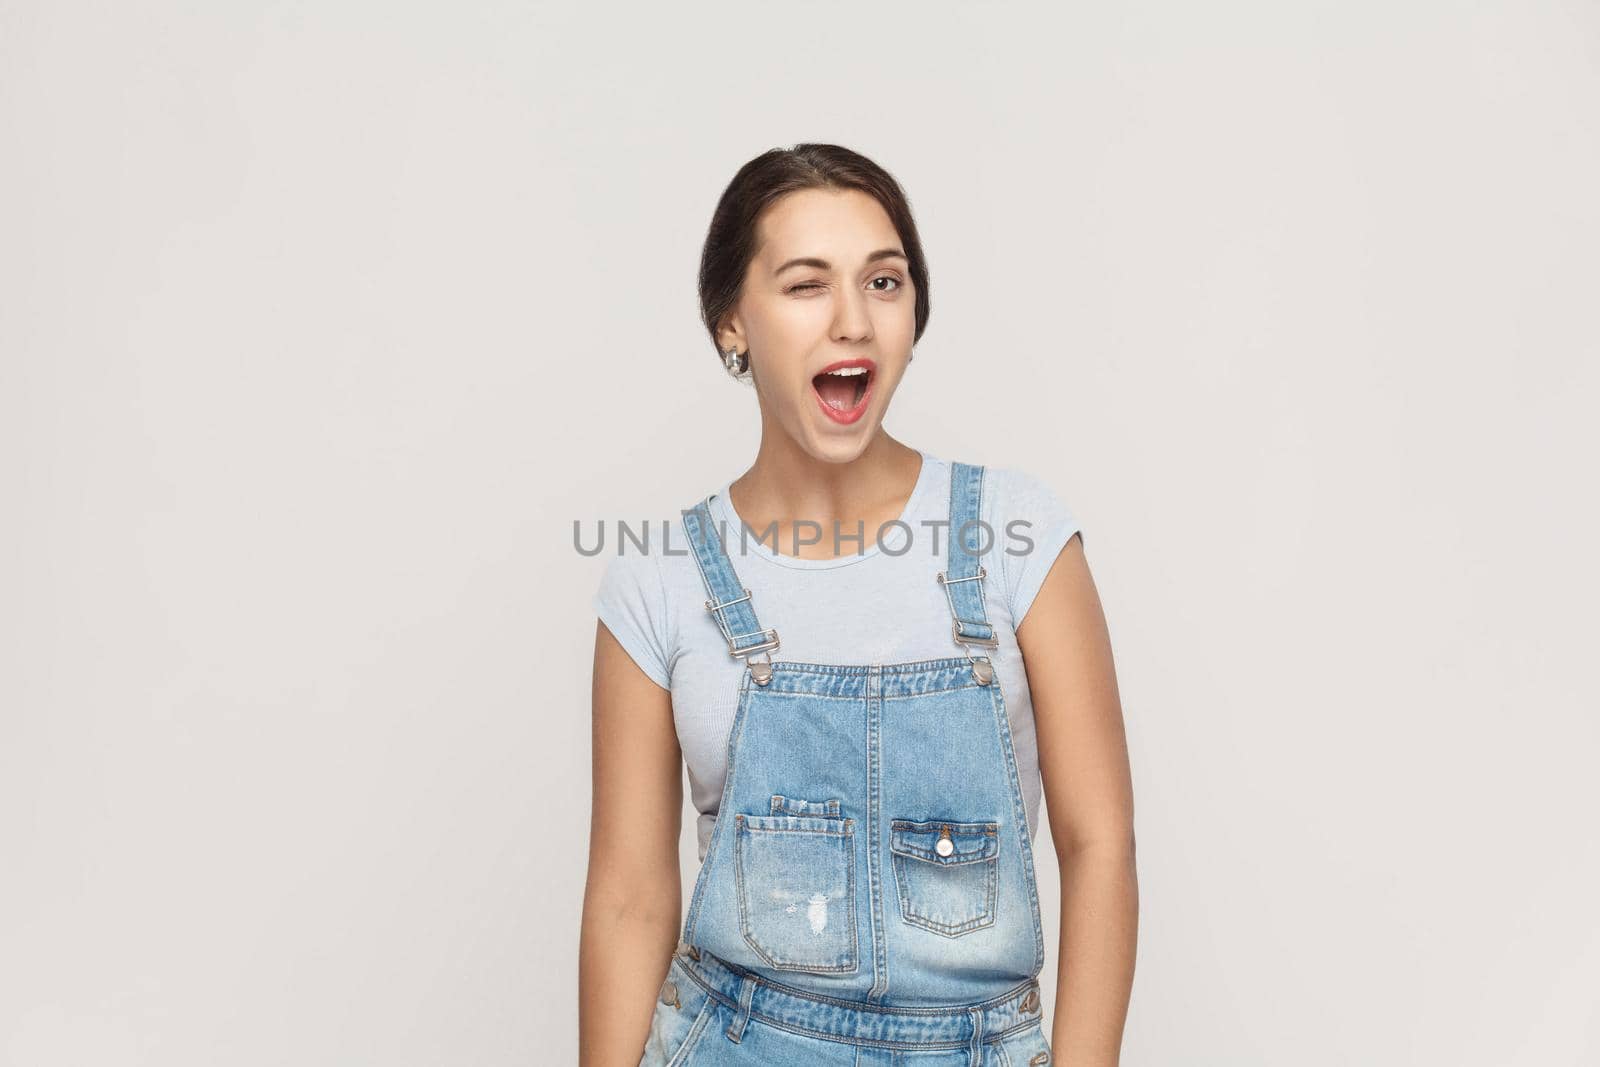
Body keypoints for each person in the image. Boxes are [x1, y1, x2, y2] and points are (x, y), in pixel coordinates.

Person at [579, 144, 1137, 1067]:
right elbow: (630, 897)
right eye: (806, 285)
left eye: (884, 281)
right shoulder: (660, 576)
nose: (852, 321)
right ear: (732, 324)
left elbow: (1101, 847)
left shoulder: (1015, 533)